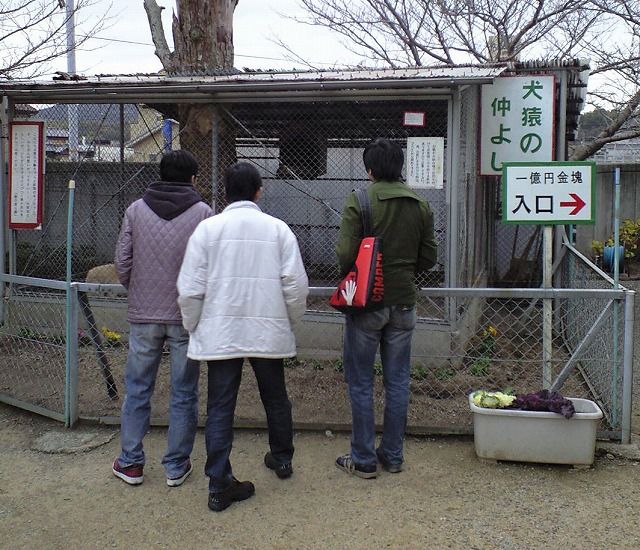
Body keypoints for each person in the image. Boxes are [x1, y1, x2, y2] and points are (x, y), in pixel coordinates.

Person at [177, 161, 309, 512]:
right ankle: (282, 459)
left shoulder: (207, 230)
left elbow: (190, 289)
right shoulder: (279, 230)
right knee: (275, 397)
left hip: (221, 333)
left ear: (225, 191)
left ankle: (219, 485)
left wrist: (193, 326)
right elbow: (296, 285)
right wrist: (290, 322)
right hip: (267, 331)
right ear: (259, 191)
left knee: (220, 407)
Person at [334, 138, 437, 479]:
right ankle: (393, 455)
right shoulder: (420, 204)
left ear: (370, 169)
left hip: (367, 305)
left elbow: (345, 254)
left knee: (361, 382)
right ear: (400, 167)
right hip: (404, 302)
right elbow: (429, 258)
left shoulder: (360, 201)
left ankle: (363, 459)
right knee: (398, 381)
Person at [111, 149, 213, 487]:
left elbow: (123, 262)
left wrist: (137, 289)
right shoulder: (202, 213)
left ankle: (130, 463)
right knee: (184, 392)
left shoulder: (135, 210)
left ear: (160, 174)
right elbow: (208, 267)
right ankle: (176, 465)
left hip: (143, 314)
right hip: (185, 315)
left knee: (138, 388)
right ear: (192, 178)